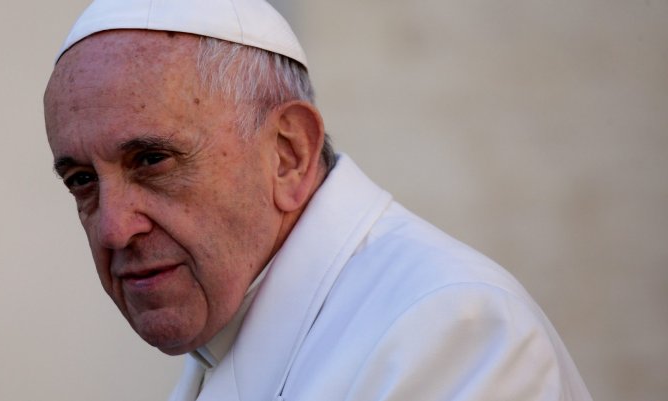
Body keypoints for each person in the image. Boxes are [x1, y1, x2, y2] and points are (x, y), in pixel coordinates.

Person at [43, 1, 593, 400]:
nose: (114, 229)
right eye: (82, 181)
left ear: (288, 153)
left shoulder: (453, 332)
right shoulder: (227, 338)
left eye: (151, 160)